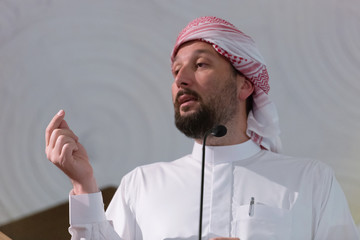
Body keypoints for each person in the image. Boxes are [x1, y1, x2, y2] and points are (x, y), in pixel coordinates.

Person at [45, 16, 359, 240]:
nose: (181, 79)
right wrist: (83, 185)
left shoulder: (310, 181)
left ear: (245, 84)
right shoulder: (141, 185)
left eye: (201, 64)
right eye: (176, 70)